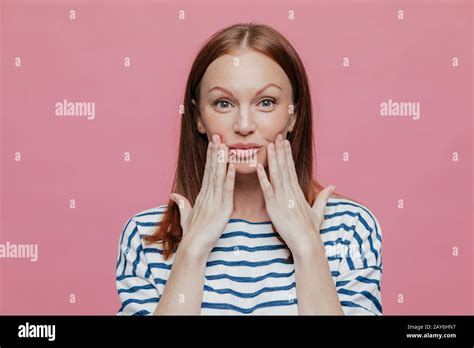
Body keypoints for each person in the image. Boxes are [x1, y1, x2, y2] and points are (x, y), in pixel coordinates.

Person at [115, 23, 382, 315]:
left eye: (266, 103)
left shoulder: (349, 229)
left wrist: (308, 249)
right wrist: (192, 251)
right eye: (223, 103)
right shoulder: (146, 235)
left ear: (294, 115)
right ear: (198, 118)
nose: (244, 126)